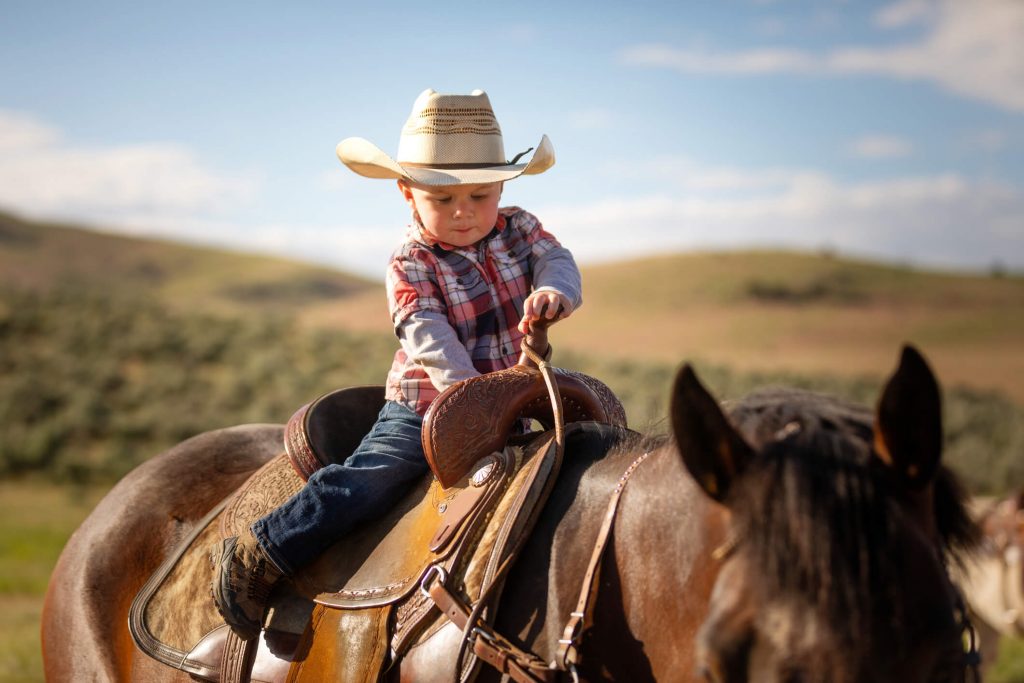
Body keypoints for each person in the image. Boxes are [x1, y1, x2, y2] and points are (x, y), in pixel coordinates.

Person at [211, 88, 583, 639]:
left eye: (479, 196)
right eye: (442, 200)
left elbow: (558, 259)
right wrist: (475, 404)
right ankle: (259, 552)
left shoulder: (522, 229)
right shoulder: (411, 261)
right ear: (408, 195)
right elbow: (428, 336)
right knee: (371, 481)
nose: (463, 213)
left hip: (510, 399)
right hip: (427, 406)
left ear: (503, 187)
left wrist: (554, 292)